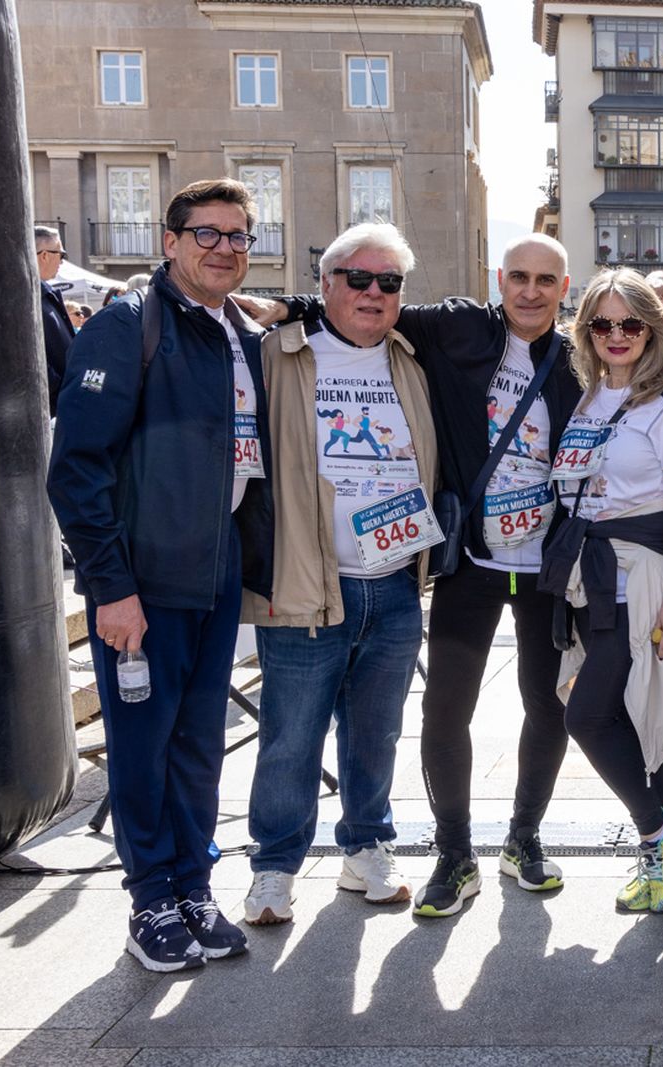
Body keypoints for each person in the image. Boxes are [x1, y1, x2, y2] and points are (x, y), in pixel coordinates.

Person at [244, 234, 585, 918]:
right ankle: (455, 852)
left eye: (546, 279)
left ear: (564, 286)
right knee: (443, 710)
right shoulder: (459, 326)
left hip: (545, 567)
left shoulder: (578, 359)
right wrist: (291, 302)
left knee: (548, 705)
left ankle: (524, 837)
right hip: (472, 563)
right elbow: (363, 301)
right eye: (518, 276)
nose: (530, 290)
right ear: (498, 278)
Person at [48, 178, 269, 971]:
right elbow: (76, 469)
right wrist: (111, 585)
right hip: (143, 583)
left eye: (239, 235)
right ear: (170, 240)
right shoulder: (125, 326)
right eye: (206, 233)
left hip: (214, 577)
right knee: (144, 747)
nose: (224, 248)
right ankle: (151, 899)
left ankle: (192, 887)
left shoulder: (240, 331)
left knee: (199, 745)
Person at [239, 223, 437, 925]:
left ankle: (366, 844)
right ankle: (273, 866)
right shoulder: (274, 356)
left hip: (393, 581)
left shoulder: (414, 360)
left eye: (389, 282)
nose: (374, 293)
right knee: (292, 735)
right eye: (358, 278)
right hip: (303, 582)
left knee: (376, 730)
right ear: (325, 285)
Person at [540, 268, 663, 914]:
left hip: (641, 575)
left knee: (584, 714)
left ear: (653, 328)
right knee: (635, 725)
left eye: (630, 323)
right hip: (590, 574)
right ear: (584, 331)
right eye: (601, 323)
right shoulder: (588, 399)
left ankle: (657, 833)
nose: (616, 335)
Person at [36, 224, 74, 414]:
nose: (62, 261)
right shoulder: (31, 298)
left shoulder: (43, 296)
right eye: (61, 254)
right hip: (50, 409)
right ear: (44, 255)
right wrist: (63, 392)